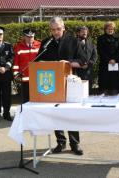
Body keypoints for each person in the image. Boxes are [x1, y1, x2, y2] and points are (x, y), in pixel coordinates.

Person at [37, 16, 86, 155]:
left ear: (63, 28)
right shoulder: (46, 42)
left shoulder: (73, 41)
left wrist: (68, 62)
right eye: (53, 30)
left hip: (69, 83)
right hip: (51, 84)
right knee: (55, 114)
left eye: (58, 29)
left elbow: (83, 61)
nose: (56, 32)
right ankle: (60, 142)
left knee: (71, 115)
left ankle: (75, 144)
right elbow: (39, 61)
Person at [13, 28, 41, 103]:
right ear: (24, 37)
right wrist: (16, 74)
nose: (30, 38)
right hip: (24, 79)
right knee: (25, 101)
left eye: (31, 37)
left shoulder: (39, 46)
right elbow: (16, 63)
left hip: (37, 79)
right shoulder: (18, 47)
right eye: (28, 37)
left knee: (37, 100)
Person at [97, 21, 119, 95]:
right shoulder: (100, 38)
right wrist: (108, 60)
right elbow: (100, 50)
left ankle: (115, 95)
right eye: (108, 29)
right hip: (105, 63)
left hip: (115, 63)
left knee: (115, 81)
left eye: (112, 29)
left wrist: (114, 59)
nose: (110, 30)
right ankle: (104, 95)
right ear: (105, 29)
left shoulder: (118, 38)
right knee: (105, 80)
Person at [75, 26, 97, 95]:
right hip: (76, 71)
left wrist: (88, 64)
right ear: (78, 33)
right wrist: (80, 64)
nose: (85, 33)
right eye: (83, 32)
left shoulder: (91, 43)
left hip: (88, 71)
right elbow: (70, 55)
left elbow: (94, 56)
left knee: (88, 91)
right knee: (77, 91)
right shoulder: (73, 43)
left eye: (86, 32)